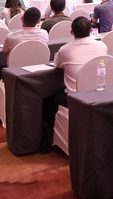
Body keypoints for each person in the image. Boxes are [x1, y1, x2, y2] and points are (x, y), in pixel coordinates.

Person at [42, 16, 108, 149]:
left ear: (71, 32)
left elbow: (57, 66)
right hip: (99, 93)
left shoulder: (65, 49)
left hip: (75, 97)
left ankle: (46, 142)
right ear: (91, 30)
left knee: (46, 100)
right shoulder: (102, 46)